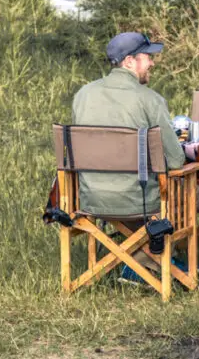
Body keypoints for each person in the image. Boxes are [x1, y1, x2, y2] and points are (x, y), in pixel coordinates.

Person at [72, 32, 185, 219]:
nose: (152, 63)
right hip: (140, 201)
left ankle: (127, 247)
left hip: (90, 199)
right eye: (148, 57)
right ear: (130, 62)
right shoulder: (150, 99)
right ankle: (151, 246)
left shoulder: (82, 95)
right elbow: (175, 161)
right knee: (191, 191)